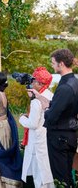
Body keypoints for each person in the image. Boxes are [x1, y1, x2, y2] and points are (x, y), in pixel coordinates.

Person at [34, 49, 78, 187]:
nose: (52, 66)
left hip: (60, 137)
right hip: (70, 134)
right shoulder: (74, 82)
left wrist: (47, 109)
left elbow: (52, 116)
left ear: (62, 64)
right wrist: (42, 99)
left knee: (60, 178)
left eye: (54, 63)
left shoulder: (65, 87)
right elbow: (64, 106)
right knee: (67, 175)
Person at [19, 67, 54, 188]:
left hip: (37, 140)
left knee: (39, 174)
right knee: (47, 170)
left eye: (33, 81)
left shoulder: (36, 101)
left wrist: (22, 118)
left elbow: (33, 124)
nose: (31, 84)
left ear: (40, 83)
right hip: (48, 138)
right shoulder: (50, 95)